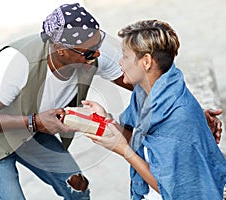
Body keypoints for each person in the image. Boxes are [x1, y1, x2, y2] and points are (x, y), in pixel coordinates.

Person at [0, 2, 223, 199]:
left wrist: (196, 116)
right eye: (88, 54)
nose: (98, 56)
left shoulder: (92, 48)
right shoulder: (16, 63)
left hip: (34, 130)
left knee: (78, 188)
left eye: (98, 46)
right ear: (60, 49)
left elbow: (149, 82)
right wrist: (35, 122)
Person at [84, 19, 226, 199]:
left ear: (146, 62)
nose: (120, 63)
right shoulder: (146, 93)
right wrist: (105, 120)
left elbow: (173, 189)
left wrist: (125, 152)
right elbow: (135, 138)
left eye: (125, 56)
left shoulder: (177, 118)